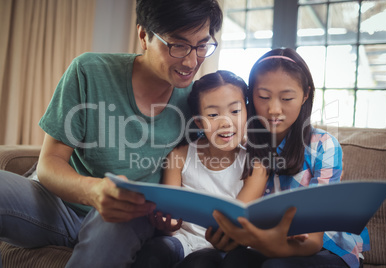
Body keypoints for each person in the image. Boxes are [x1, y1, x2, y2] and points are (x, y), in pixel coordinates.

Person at [0, 0, 223, 267]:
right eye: (178, 45)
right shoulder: (89, 71)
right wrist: (94, 191)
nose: (191, 60)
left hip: (127, 219)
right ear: (143, 35)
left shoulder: (196, 102)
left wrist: (172, 217)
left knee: (126, 213)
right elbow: (50, 163)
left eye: (201, 46)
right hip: (56, 206)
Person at [178, 48, 370, 268]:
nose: (274, 109)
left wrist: (264, 244)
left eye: (287, 98)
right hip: (262, 243)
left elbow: (313, 241)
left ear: (306, 94)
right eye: (263, 97)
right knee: (231, 261)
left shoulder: (323, 146)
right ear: (250, 99)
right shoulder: (243, 141)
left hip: (326, 247)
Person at [135, 70, 269, 267]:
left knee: (203, 262)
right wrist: (167, 224)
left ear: (247, 112)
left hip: (232, 246)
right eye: (213, 114)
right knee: (153, 253)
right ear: (198, 121)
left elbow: (236, 222)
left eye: (235, 111)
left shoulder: (255, 163)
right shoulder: (180, 155)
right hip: (183, 239)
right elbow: (170, 215)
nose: (226, 122)